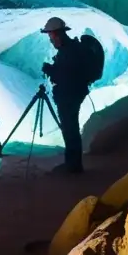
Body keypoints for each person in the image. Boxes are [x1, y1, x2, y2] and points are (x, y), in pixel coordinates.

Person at [41, 16, 87, 174]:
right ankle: (73, 164)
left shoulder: (69, 51)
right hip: (72, 94)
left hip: (70, 95)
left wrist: (50, 70)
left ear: (56, 34)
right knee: (70, 128)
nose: (50, 39)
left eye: (50, 35)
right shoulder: (70, 49)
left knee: (70, 129)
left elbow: (67, 76)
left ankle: (73, 167)